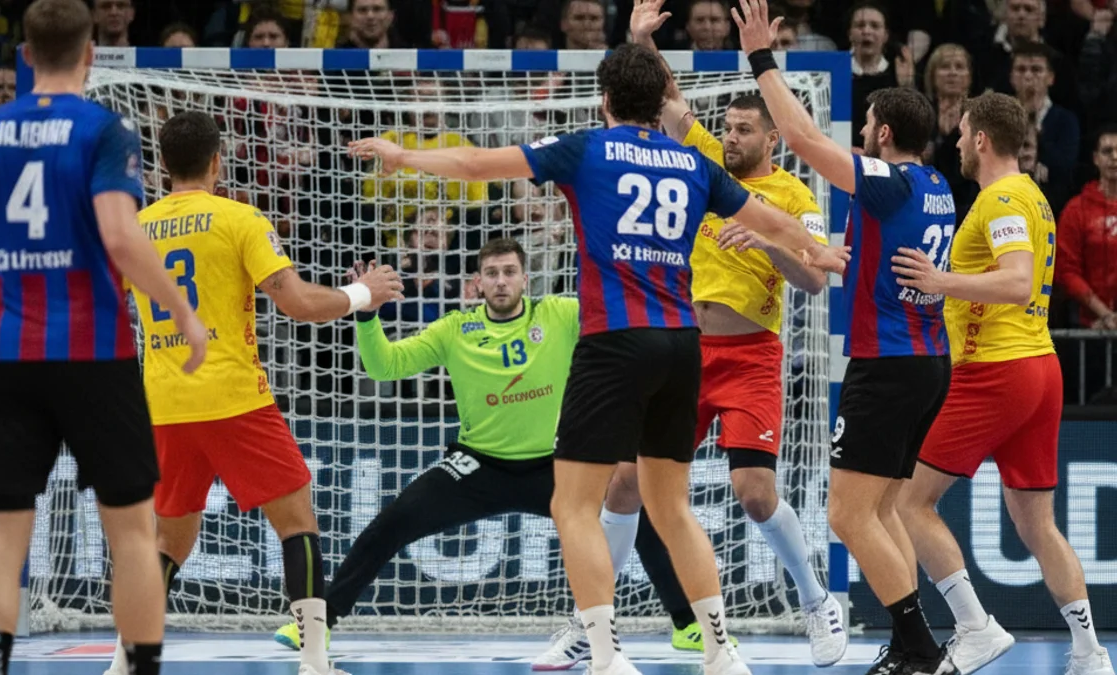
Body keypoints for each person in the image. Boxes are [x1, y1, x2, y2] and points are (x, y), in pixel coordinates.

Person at [349, 41, 848, 675]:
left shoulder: (586, 149)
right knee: (669, 508)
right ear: (654, 102)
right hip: (682, 347)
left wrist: (403, 154)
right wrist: (821, 251)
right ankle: (721, 653)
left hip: (615, 343)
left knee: (572, 505)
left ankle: (607, 655)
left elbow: (477, 163)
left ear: (604, 99)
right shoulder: (697, 165)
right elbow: (771, 220)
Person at [535, 3, 846, 668]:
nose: (729, 137)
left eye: (742, 130)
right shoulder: (701, 160)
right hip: (685, 348)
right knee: (623, 486)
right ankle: (591, 625)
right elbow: (659, 104)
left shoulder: (794, 198)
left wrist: (768, 241)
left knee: (755, 493)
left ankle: (817, 599)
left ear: (772, 139)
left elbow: (815, 282)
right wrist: (641, 40)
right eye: (726, 128)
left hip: (753, 352)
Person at [0, 1, 208, 674]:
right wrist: (182, 315)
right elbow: (118, 235)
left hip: (7, 353)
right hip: (94, 355)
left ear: (22, 55)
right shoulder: (105, 130)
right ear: (89, 55)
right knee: (133, 534)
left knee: (0, 536)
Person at [273, 238, 707, 658]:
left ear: (525, 280)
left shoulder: (559, 314)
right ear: (477, 283)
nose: (501, 281)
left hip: (553, 465)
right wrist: (367, 316)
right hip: (476, 466)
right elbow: (385, 366)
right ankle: (319, 623)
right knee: (392, 522)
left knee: (637, 512)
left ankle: (688, 624)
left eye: (510, 273)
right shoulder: (455, 329)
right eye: (492, 273)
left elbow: (617, 324)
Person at [101, 110, 403, 675]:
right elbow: (298, 304)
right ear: (218, 160)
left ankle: (124, 662)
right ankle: (314, 660)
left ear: (162, 165)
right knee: (296, 523)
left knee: (167, 542)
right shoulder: (238, 218)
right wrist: (362, 292)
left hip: (164, 402)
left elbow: (99, 307)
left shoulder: (134, 228)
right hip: (235, 396)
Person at [731, 0, 958, 673]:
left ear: (883, 133)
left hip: (887, 366)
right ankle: (912, 640)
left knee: (848, 517)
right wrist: (815, 248)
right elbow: (877, 259)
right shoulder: (935, 182)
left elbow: (801, 141)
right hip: (924, 361)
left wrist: (761, 59)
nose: (857, 133)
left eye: (864, 126)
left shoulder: (886, 181)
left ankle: (917, 646)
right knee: (883, 511)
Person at [894, 93, 1116, 675]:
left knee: (910, 502)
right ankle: (1090, 653)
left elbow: (1017, 281)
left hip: (997, 368)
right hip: (1037, 367)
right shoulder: (1034, 199)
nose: (959, 142)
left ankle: (975, 628)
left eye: (965, 134)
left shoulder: (1003, 198)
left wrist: (940, 280)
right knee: (1036, 523)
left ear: (983, 139)